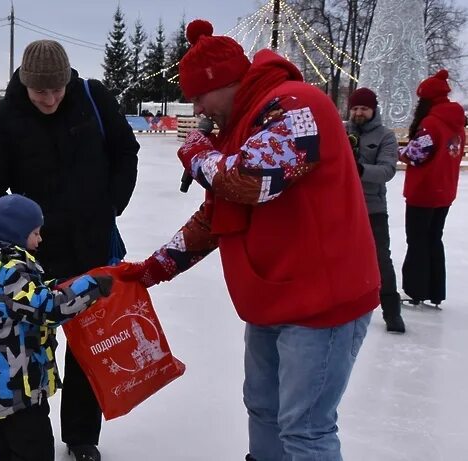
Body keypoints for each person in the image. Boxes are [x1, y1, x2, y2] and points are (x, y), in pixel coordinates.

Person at [118, 20, 378, 460]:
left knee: (305, 429)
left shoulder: (298, 106)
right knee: (264, 409)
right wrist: (155, 268)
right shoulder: (243, 125)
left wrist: (198, 154)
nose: (197, 107)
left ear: (224, 82)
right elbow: (218, 215)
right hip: (271, 299)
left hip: (322, 303)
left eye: (199, 96)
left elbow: (250, 180)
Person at [0, 39, 139, 461]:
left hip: (91, 245)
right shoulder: (2, 118)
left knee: (89, 345)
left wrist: (112, 204)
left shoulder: (92, 98)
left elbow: (126, 150)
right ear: (25, 84)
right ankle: (22, 432)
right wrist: (12, 247)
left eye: (56, 89)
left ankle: (82, 435)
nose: (49, 99)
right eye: (40, 91)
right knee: (26, 349)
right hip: (35, 256)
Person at [0, 194, 112, 461]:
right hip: (18, 383)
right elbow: (47, 309)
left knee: (4, 440)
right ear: (15, 234)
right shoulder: (11, 273)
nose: (40, 239)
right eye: (35, 233)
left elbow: (26, 298)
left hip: (2, 380)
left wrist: (58, 285)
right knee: (34, 448)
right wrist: (90, 286)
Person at [399, 69, 466, 308]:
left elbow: (417, 154)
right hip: (445, 190)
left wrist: (398, 152)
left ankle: (416, 289)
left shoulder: (431, 122)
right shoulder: (457, 123)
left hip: (424, 191)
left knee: (417, 240)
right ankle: (436, 290)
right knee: (434, 239)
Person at [345, 87, 406, 333]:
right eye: (355, 108)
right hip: (342, 207)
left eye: (364, 108)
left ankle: (392, 312)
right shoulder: (341, 130)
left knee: (380, 259)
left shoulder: (385, 136)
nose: (359, 113)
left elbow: (387, 170)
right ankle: (342, 304)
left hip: (373, 208)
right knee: (340, 257)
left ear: (373, 110)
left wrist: (359, 169)